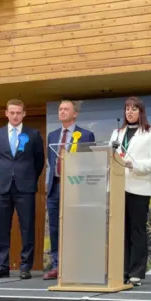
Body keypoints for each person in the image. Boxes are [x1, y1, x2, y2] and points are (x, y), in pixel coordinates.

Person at [0, 99, 45, 280]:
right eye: (12, 112)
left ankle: (25, 267)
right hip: (2, 187)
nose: (15, 116)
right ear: (6, 113)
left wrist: (27, 177)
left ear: (24, 114)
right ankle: (2, 265)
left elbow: (39, 162)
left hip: (25, 187)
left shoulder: (33, 134)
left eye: (18, 112)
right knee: (2, 228)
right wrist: (6, 175)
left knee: (27, 227)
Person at [109, 96, 151, 286]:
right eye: (126, 109)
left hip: (138, 187)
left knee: (136, 231)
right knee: (120, 231)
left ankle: (136, 272)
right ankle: (121, 270)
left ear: (141, 112)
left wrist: (134, 164)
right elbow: (110, 156)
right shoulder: (116, 133)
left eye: (133, 109)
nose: (129, 112)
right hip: (117, 187)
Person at [43, 100, 96, 280]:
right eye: (60, 109)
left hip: (75, 187)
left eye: (66, 109)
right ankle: (58, 267)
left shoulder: (86, 135)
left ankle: (77, 266)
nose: (62, 112)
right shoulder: (52, 135)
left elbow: (90, 164)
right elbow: (51, 162)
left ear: (75, 114)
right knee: (55, 229)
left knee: (75, 227)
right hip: (55, 186)